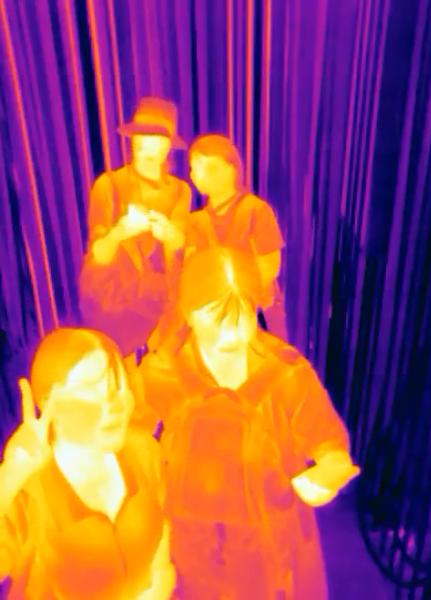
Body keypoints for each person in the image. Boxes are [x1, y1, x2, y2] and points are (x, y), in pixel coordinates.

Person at [134, 247, 360, 599]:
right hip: (192, 539)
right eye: (216, 315)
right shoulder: (164, 372)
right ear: (188, 313)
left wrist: (328, 472)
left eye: (244, 314)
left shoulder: (285, 372)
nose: (232, 330)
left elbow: (328, 441)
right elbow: (130, 436)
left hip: (271, 536)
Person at [0, 327, 175, 600]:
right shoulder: (26, 493)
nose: (117, 405)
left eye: (119, 385)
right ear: (48, 404)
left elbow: (161, 557)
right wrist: (9, 475)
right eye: (93, 392)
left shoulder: (144, 453)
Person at [79, 97, 192, 357]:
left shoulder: (179, 190)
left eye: (156, 138)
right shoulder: (108, 185)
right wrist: (120, 232)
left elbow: (180, 244)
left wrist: (169, 233)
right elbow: (99, 255)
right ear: (132, 139)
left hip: (160, 306)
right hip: (113, 306)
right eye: (142, 135)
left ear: (168, 145)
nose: (147, 144)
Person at [187, 133, 288, 341]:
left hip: (256, 309)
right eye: (196, 168)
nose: (201, 175)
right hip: (213, 315)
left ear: (232, 169)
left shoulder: (255, 211)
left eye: (211, 168)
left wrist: (239, 298)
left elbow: (270, 266)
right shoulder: (195, 221)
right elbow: (192, 269)